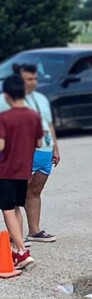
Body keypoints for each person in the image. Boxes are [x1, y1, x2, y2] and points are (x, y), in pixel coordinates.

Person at [0, 64, 60, 243]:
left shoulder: (40, 98)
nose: (33, 83)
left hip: (45, 150)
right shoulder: (6, 100)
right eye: (28, 79)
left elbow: (48, 124)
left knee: (35, 191)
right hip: (25, 152)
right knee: (15, 196)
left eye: (35, 79)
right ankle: (16, 235)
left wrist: (55, 147)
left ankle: (34, 231)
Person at [0, 74, 43, 270]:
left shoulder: (5, 118)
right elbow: (39, 142)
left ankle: (21, 250)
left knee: (7, 209)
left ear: (7, 95)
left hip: (6, 170)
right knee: (17, 207)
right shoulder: (34, 116)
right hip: (24, 170)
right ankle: (20, 250)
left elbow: (1, 145)